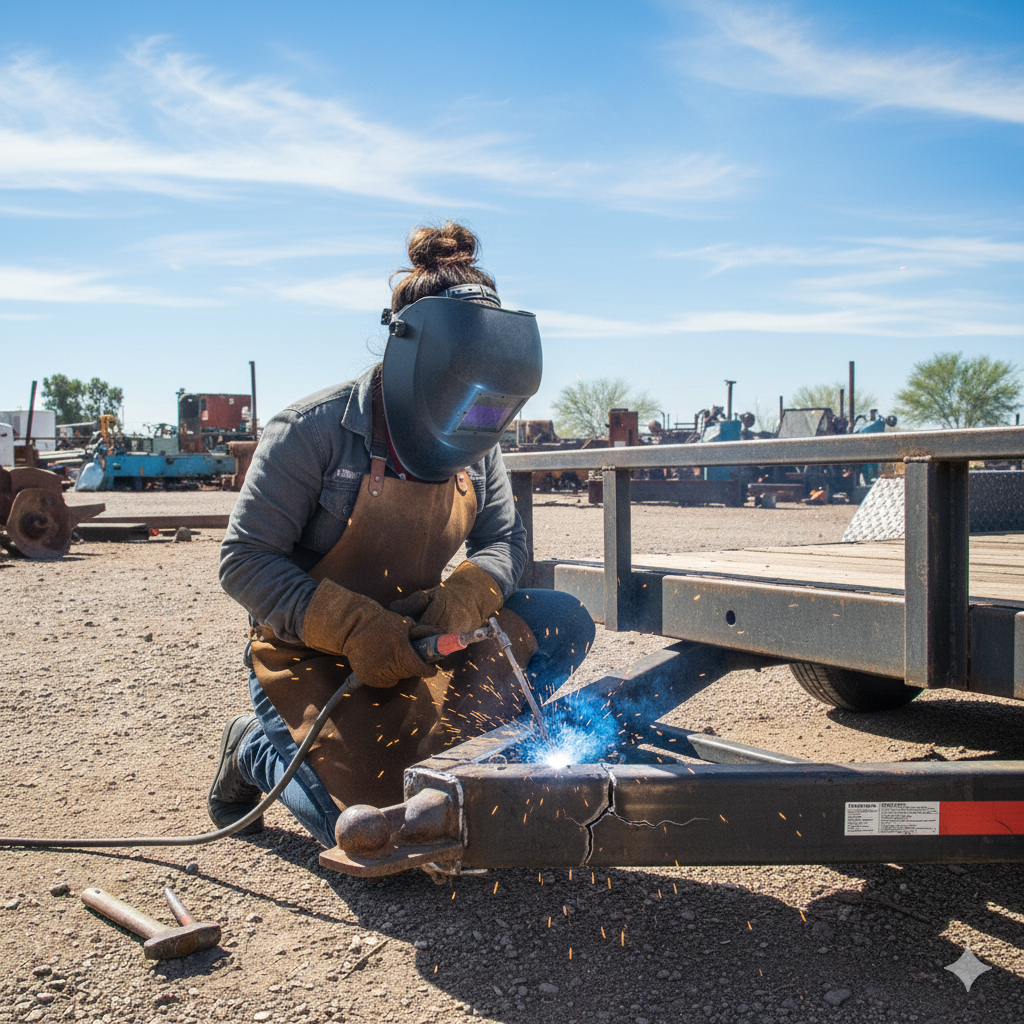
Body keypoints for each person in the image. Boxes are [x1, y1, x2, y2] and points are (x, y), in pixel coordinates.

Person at [209, 221, 595, 850]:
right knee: (369, 832)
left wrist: (464, 597)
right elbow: (244, 560)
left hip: (425, 636)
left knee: (563, 620)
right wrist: (356, 626)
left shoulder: (475, 435)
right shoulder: (313, 431)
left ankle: (484, 746)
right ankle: (252, 747)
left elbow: (505, 542)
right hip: (313, 655)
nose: (475, 429)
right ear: (412, 357)